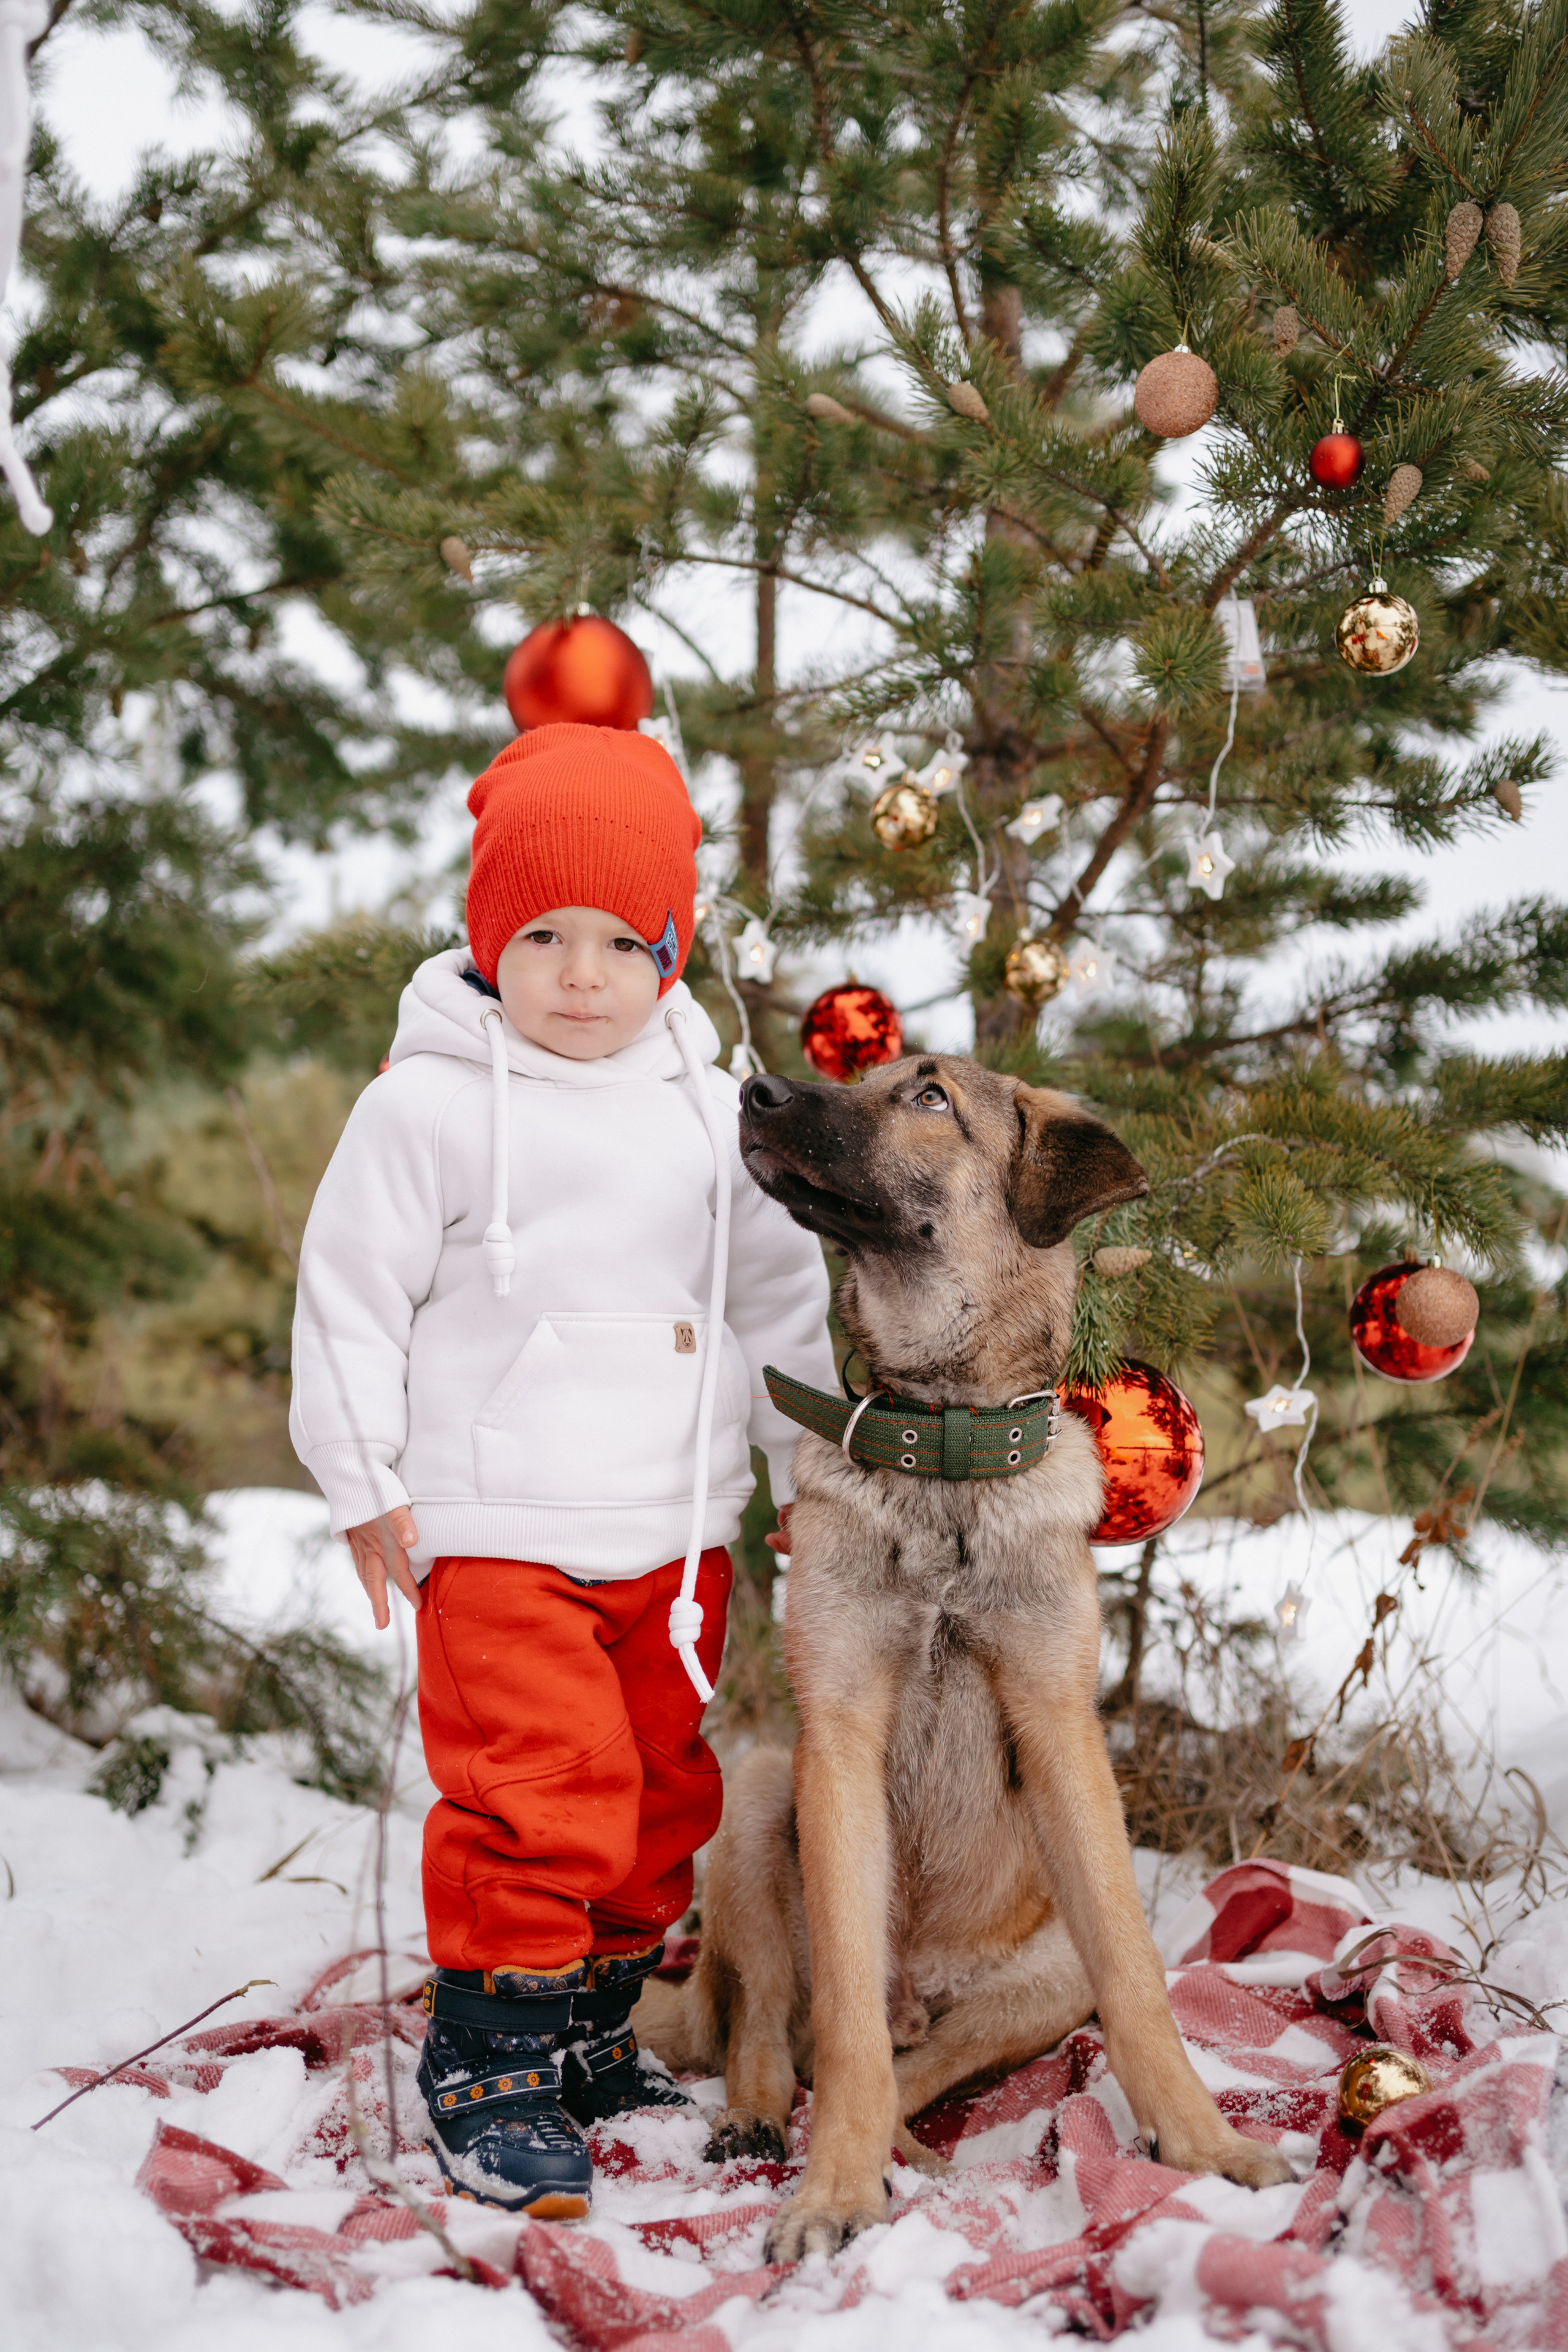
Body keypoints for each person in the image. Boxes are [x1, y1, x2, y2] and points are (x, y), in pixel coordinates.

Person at [290, 722, 834, 2217]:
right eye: (541, 937)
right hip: (498, 1527)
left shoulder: (711, 1117)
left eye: (619, 942)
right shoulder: (426, 1106)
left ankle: (591, 2025)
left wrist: (805, 1462)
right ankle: (491, 2054)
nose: (580, 976)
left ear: (672, 949)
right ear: (487, 939)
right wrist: (360, 1473)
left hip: (674, 1533)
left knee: (659, 1793)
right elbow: (348, 1298)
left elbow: (776, 1303)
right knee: (539, 1791)